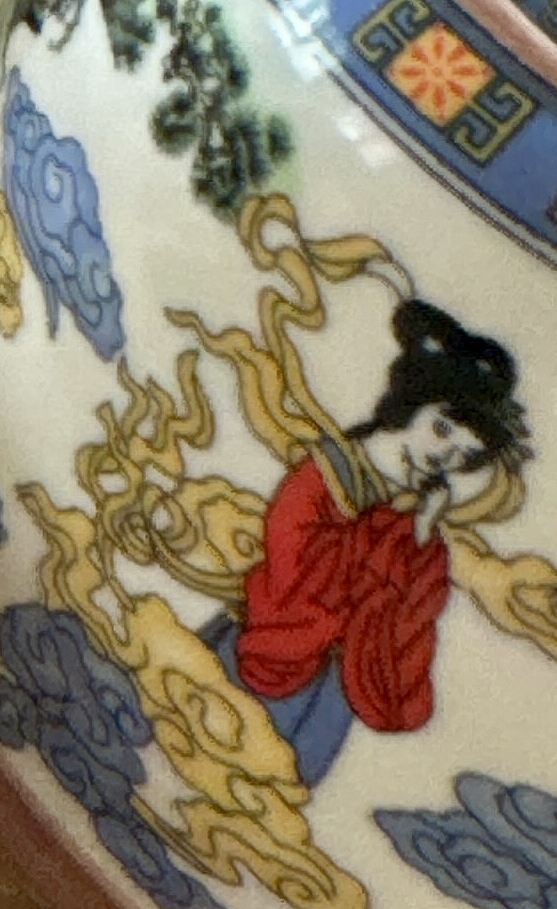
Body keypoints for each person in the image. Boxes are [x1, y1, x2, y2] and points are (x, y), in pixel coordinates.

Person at [207, 298, 532, 784]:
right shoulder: (330, 472)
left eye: (463, 456)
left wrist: (418, 536)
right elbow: (290, 563)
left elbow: (410, 615)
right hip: (275, 650)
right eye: (442, 429)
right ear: (411, 402)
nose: (443, 457)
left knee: (283, 788)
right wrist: (378, 540)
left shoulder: (416, 511)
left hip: (332, 685)